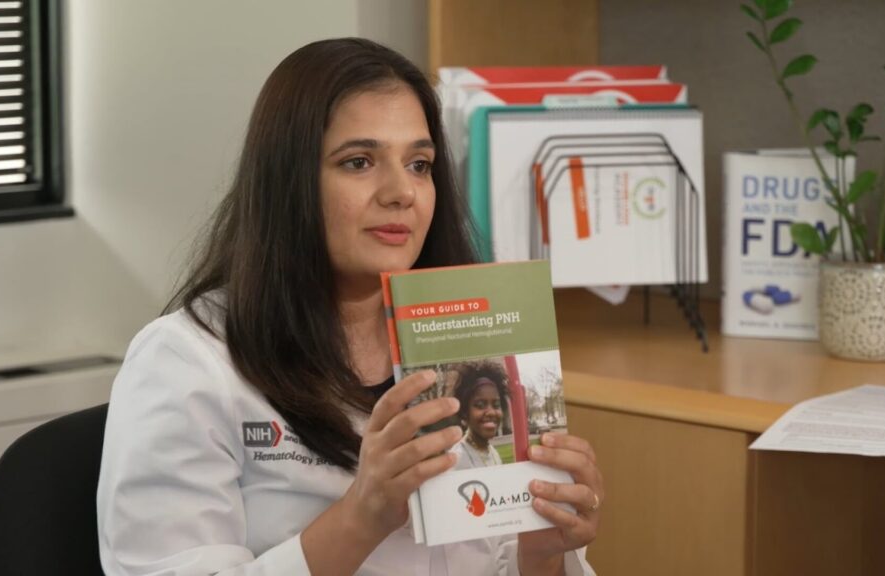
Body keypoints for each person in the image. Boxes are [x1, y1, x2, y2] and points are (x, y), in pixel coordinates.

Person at [96, 37, 603, 576]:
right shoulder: (185, 361)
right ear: (287, 182)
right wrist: (362, 517)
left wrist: (543, 553)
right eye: (359, 162)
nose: (401, 192)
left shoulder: (470, 342)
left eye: (419, 164)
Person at [450, 361, 510, 470]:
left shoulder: (493, 453)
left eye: (496, 405)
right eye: (480, 405)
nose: (491, 412)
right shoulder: (456, 460)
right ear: (464, 413)